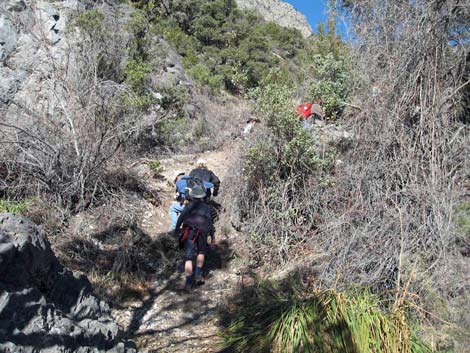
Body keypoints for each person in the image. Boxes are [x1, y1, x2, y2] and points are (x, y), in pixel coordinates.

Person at [174, 184, 216, 290]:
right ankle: (197, 273)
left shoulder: (189, 206)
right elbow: (210, 223)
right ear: (202, 196)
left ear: (193, 196)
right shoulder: (207, 207)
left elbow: (181, 218)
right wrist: (212, 237)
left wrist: (176, 230)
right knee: (201, 252)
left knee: (188, 257)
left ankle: (188, 283)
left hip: (189, 230)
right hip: (202, 230)